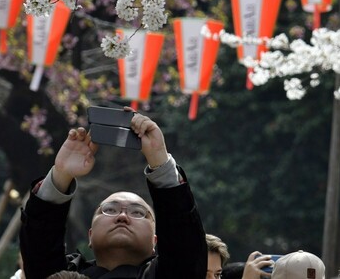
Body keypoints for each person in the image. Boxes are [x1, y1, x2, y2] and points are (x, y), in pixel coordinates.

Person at [19, 109, 207, 279]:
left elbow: (185, 248)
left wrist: (160, 159)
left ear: (155, 241)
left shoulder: (170, 275)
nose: (123, 217)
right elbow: (39, 250)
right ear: (90, 236)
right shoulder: (65, 275)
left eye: (137, 213)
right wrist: (61, 174)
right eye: (109, 210)